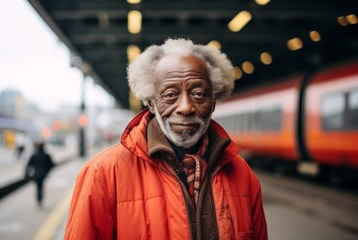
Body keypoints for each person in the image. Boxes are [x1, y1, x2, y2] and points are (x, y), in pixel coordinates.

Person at [64, 38, 268, 239]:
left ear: (213, 102)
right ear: (151, 103)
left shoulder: (244, 175)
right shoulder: (103, 175)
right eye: (170, 95)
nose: (186, 107)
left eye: (198, 94)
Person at [25, 141, 54, 207]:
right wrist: (47, 171)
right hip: (43, 174)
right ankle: (40, 198)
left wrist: (27, 174)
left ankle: (38, 198)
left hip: (36, 174)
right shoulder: (47, 155)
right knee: (41, 186)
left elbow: (29, 165)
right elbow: (51, 165)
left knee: (38, 186)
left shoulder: (34, 155)